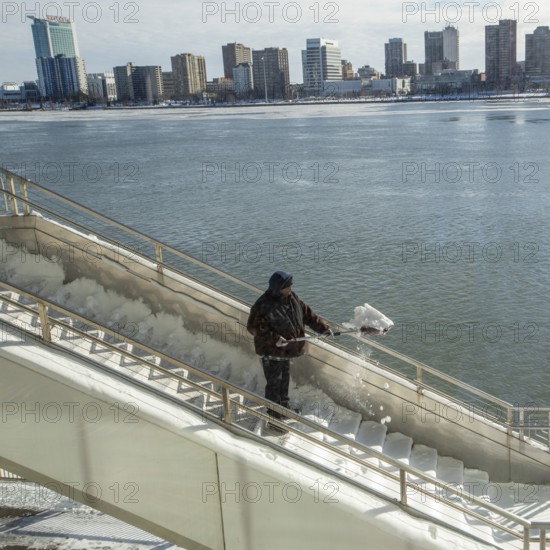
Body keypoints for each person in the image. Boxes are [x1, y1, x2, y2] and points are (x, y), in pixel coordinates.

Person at [247, 271, 331, 429]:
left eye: (290, 285)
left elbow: (308, 315)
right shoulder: (263, 304)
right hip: (270, 352)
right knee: (274, 384)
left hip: (285, 351)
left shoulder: (292, 298)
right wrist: (275, 339)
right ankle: (274, 418)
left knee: (284, 381)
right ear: (278, 288)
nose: (291, 287)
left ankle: (283, 408)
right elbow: (253, 327)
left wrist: (324, 329)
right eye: (287, 286)